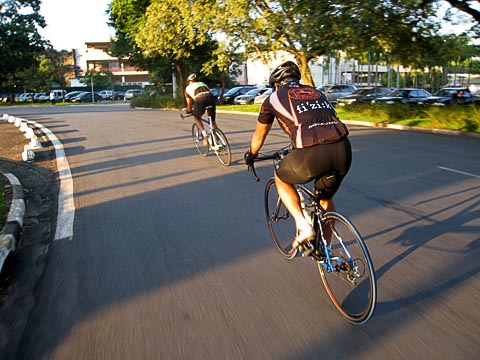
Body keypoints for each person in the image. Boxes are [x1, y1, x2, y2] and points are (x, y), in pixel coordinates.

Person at [244, 61, 351, 249]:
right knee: (325, 200)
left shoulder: (273, 98)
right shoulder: (317, 92)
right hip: (343, 149)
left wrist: (251, 155)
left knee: (281, 177)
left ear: (276, 85)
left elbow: (259, 135)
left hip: (312, 151)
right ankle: (323, 248)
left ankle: (303, 227)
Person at [184, 73, 217, 145]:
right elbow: (210, 92)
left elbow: (189, 105)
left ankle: (205, 135)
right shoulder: (203, 83)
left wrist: (189, 110)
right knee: (212, 120)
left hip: (200, 99)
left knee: (196, 117)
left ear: (189, 81)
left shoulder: (187, 88)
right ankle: (216, 137)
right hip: (211, 98)